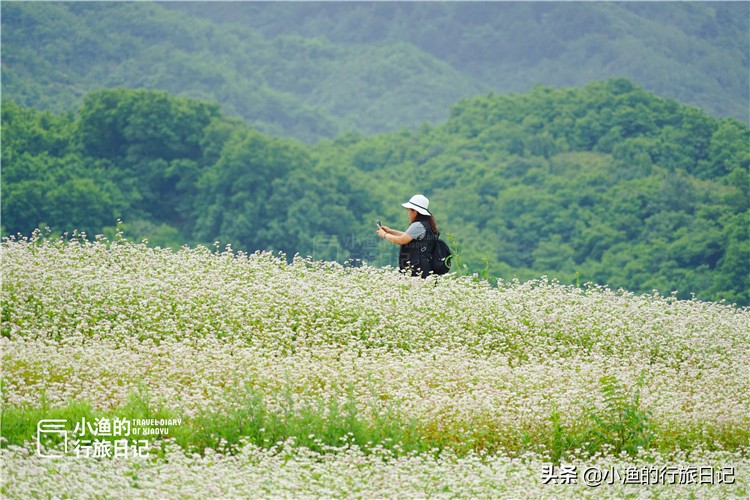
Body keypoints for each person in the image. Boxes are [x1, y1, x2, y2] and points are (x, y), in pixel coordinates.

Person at [377, 194, 438, 278]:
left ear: (415, 211)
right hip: (424, 266)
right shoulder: (427, 224)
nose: (408, 214)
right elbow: (409, 236)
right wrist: (390, 231)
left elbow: (401, 240)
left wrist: (384, 235)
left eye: (409, 210)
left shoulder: (418, 225)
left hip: (416, 268)